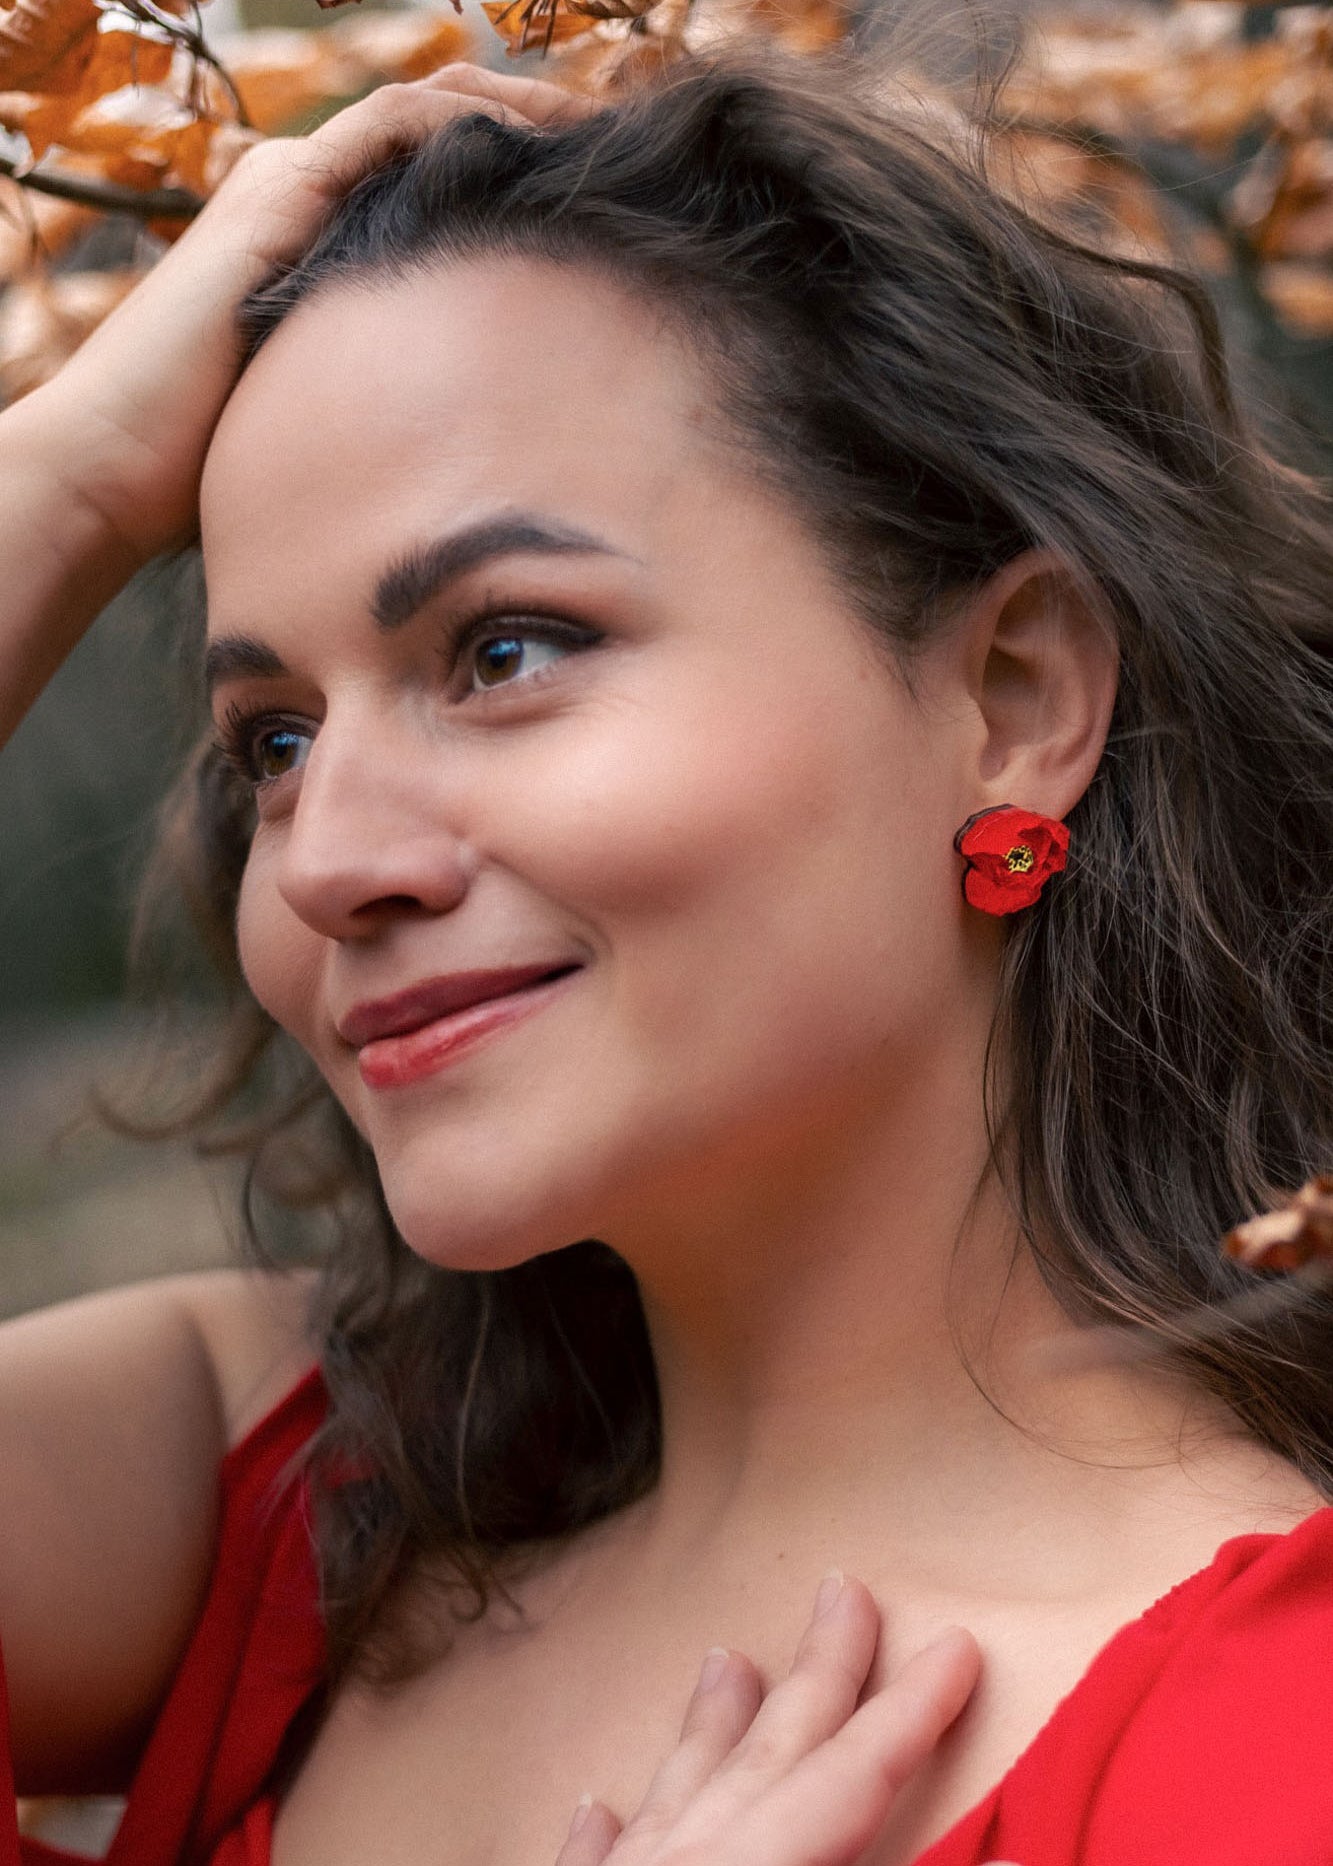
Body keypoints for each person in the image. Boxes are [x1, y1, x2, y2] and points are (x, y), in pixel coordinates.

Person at [1, 43, 1332, 1866]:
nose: (325, 862)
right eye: (274, 741)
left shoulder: (1270, 1736)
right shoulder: (278, 1493)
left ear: (1011, 697)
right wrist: (63, 482)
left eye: (504, 649)